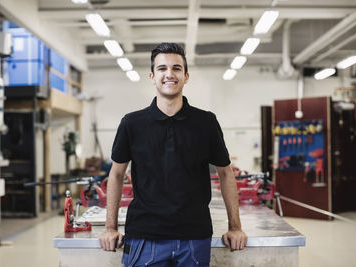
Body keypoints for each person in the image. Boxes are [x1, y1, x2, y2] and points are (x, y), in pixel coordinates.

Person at [99, 42, 247, 266]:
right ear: (152, 76)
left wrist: (235, 227)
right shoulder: (132, 123)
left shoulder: (205, 122)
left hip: (194, 236)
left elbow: (226, 174)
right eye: (162, 68)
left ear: (186, 76)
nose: (170, 74)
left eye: (176, 68)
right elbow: (116, 175)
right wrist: (110, 228)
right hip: (144, 235)